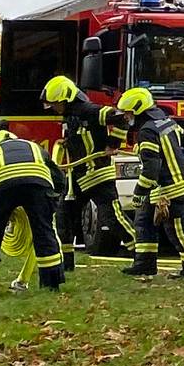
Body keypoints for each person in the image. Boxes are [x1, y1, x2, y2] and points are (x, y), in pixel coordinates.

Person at [0, 127, 64, 297]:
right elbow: (58, 177)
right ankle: (51, 285)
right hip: (38, 183)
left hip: (2, 185)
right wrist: (51, 203)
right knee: (44, 233)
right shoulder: (35, 147)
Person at [119, 88, 184, 280]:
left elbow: (152, 166)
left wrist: (140, 191)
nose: (126, 117)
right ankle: (145, 264)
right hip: (161, 188)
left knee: (177, 229)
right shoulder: (166, 121)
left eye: (128, 113)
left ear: (138, 110)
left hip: (169, 188)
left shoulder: (147, 131)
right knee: (143, 223)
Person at [49, 80, 126, 269]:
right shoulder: (71, 115)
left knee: (113, 219)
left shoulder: (89, 110)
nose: (53, 108)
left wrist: (113, 143)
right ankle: (66, 264)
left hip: (98, 174)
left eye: (55, 104)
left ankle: (144, 258)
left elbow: (122, 118)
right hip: (77, 177)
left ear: (65, 99)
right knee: (63, 217)